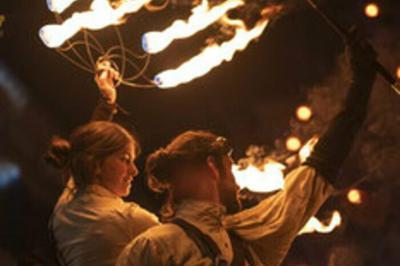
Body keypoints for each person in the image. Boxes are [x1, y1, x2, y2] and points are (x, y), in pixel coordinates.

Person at [116, 35, 377, 266]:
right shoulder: (154, 248)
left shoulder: (249, 235)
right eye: (230, 169)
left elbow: (319, 168)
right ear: (212, 167)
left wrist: (361, 85)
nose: (238, 186)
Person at [45, 63, 159, 266]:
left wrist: (107, 101)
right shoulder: (130, 219)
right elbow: (187, 245)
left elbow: (88, 145)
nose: (134, 171)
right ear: (96, 165)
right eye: (125, 160)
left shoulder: (71, 198)